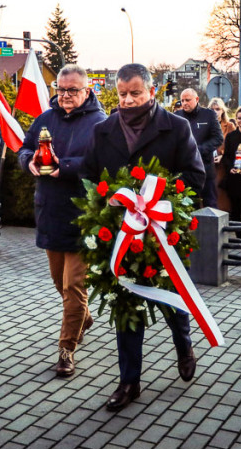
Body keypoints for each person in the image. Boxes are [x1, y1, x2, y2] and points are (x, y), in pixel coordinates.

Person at [82, 64, 206, 411]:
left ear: (151, 91)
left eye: (136, 93)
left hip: (162, 233)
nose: (128, 100)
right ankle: (129, 381)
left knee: (169, 298)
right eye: (122, 94)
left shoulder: (176, 127)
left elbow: (196, 178)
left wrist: (159, 202)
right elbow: (90, 176)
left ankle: (183, 346)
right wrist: (105, 201)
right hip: (120, 233)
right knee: (127, 304)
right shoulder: (103, 129)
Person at [18, 64, 106, 377]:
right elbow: (25, 147)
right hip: (50, 211)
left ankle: (67, 348)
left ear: (87, 90)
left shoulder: (100, 123)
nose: (66, 96)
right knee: (60, 283)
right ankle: (82, 316)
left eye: (73, 90)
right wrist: (28, 161)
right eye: (61, 89)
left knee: (74, 286)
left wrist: (64, 167)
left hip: (83, 215)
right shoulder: (45, 117)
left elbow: (101, 164)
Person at [176, 88, 223, 208]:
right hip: (185, 171)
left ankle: (212, 227)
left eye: (188, 100)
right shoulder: (177, 116)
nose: (184, 103)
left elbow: (218, 138)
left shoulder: (209, 115)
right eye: (182, 100)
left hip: (206, 168)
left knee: (210, 205)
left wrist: (199, 150)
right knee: (189, 207)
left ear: (196, 99)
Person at [221, 105, 241, 239]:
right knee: (234, 209)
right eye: (239, 118)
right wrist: (230, 168)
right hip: (233, 177)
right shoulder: (230, 136)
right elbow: (227, 156)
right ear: (236, 119)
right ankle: (238, 236)